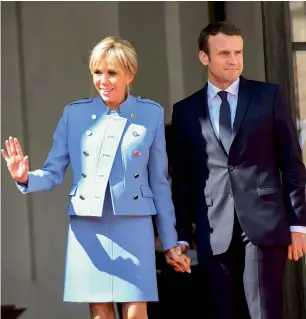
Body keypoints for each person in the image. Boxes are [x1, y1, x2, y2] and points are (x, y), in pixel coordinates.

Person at [2, 36, 190, 319]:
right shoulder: (74, 114)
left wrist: (170, 242)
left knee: (136, 312)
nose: (103, 80)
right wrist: (26, 177)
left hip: (134, 224)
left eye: (112, 72)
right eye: (97, 72)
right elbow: (53, 172)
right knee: (100, 314)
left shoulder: (151, 114)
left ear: (130, 74)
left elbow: (160, 184)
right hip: (88, 225)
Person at [171, 22, 306, 319]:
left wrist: (298, 225)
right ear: (204, 57)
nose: (233, 59)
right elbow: (182, 181)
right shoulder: (185, 111)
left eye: (238, 52)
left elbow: (293, 165)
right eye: (224, 53)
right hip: (212, 227)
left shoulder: (268, 97)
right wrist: (180, 236)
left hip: (264, 224)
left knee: (265, 314)